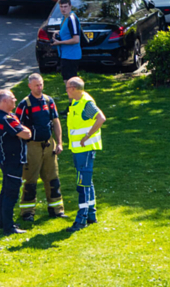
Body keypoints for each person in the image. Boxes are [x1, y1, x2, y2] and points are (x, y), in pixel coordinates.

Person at [16, 73, 67, 221]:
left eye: (41, 84)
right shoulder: (24, 104)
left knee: (53, 178)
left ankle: (56, 209)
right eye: (36, 85)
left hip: (48, 144)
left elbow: (56, 121)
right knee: (30, 179)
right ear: (29, 86)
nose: (39, 88)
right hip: (32, 146)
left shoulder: (49, 100)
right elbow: (16, 127)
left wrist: (59, 142)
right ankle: (27, 212)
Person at [65, 76, 107, 232]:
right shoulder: (77, 102)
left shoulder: (85, 103)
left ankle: (81, 219)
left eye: (68, 87)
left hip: (85, 150)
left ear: (74, 88)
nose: (66, 90)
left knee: (82, 184)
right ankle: (91, 214)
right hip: (79, 150)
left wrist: (87, 135)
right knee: (87, 182)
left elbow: (101, 118)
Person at [0, 89, 33, 235]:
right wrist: (24, 130)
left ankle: (2, 222)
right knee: (11, 193)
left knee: (5, 191)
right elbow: (26, 134)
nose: (15, 100)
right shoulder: (6, 119)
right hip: (12, 161)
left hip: (8, 159)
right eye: (12, 98)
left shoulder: (8, 116)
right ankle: (8, 227)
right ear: (4, 101)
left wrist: (22, 129)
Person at [53, 0, 82, 81]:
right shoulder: (64, 18)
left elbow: (76, 39)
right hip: (65, 55)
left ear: (70, 6)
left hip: (71, 56)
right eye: (61, 7)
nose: (63, 9)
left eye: (65, 6)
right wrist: (58, 33)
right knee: (66, 80)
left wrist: (60, 42)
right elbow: (68, 32)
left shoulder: (71, 19)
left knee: (71, 83)